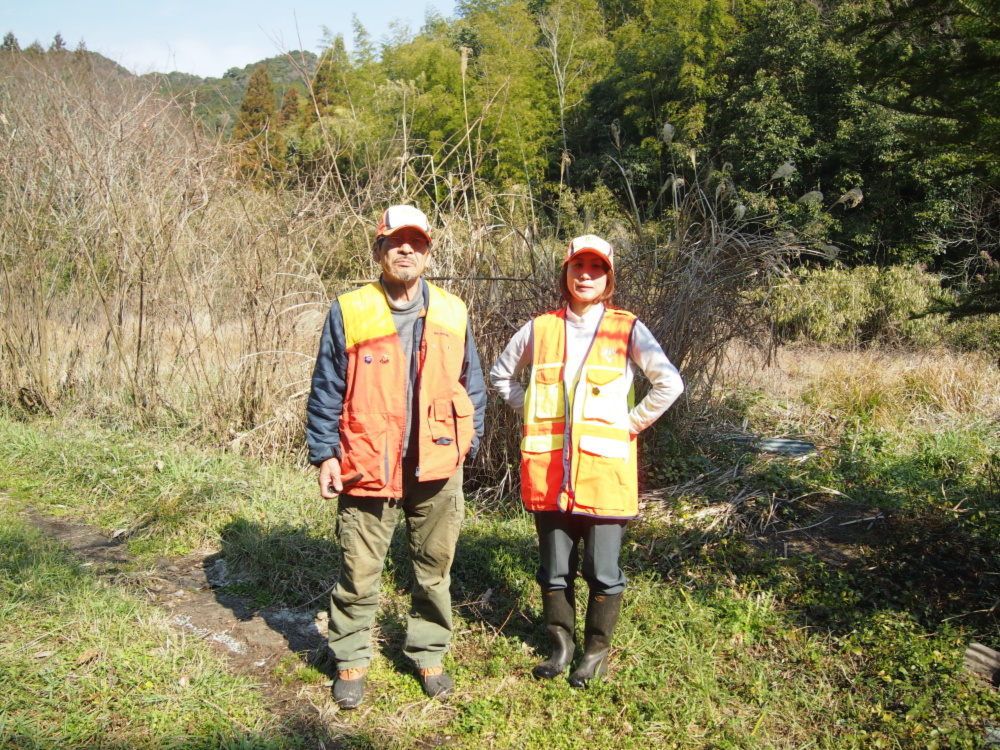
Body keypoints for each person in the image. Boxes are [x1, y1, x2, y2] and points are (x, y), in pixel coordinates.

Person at [306, 204, 486, 709]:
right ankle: (350, 660)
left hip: (437, 462)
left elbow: (471, 385)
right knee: (359, 569)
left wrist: (467, 444)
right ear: (379, 248)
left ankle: (429, 652)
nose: (406, 249)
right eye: (395, 240)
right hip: (367, 461)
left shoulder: (454, 309)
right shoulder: (350, 309)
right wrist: (324, 455)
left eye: (417, 241)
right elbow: (326, 389)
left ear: (428, 252)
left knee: (434, 569)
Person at [490, 234, 683, 687]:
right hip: (549, 472)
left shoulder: (627, 328)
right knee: (554, 569)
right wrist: (530, 406)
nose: (587, 275)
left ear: (608, 277)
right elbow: (500, 375)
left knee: (602, 570)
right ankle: (561, 648)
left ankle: (595, 652)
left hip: (604, 474)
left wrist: (629, 425)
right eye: (579, 266)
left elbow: (668, 384)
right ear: (567, 272)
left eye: (597, 268)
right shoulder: (539, 329)